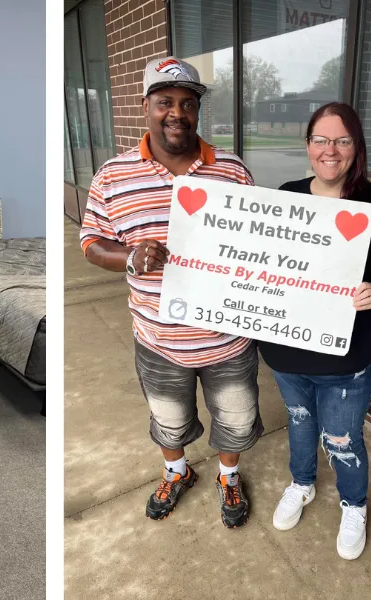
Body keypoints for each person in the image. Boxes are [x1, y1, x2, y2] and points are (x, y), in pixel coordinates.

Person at [79, 57, 262, 529]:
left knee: (236, 422)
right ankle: (176, 471)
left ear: (197, 111)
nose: (176, 112)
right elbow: (91, 242)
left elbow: (260, 243)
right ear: (146, 107)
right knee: (170, 421)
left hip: (227, 336)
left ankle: (228, 476)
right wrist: (129, 257)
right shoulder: (113, 176)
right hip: (159, 337)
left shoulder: (232, 171)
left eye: (187, 103)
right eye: (164, 102)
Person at [260, 102, 371, 560]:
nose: (331, 150)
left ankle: (354, 504)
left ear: (356, 147)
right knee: (299, 424)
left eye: (342, 140)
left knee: (343, 438)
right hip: (287, 353)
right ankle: (302, 483)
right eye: (321, 140)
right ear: (308, 145)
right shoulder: (287, 195)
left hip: (348, 357)